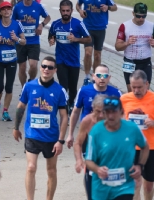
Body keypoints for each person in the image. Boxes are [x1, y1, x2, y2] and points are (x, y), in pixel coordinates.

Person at [13, 56, 68, 200]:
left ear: (55, 70)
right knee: (31, 167)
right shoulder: (29, 86)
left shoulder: (60, 90)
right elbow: (20, 107)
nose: (46, 69)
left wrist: (60, 140)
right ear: (40, 67)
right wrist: (16, 127)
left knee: (51, 171)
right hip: (32, 134)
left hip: (51, 137)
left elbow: (64, 116)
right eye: (44, 66)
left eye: (50, 67)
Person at [85, 95, 149, 200]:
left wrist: (139, 165)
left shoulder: (132, 129)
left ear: (121, 112)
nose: (110, 116)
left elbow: (145, 147)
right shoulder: (96, 132)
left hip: (124, 187)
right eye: (107, 112)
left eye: (114, 112)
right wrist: (98, 169)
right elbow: (88, 161)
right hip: (101, 189)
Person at [48, 0, 92, 114]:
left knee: (72, 89)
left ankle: (71, 103)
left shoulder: (78, 24)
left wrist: (76, 39)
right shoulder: (55, 24)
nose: (65, 13)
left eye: (68, 11)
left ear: (72, 10)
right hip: (61, 61)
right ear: (60, 11)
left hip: (74, 61)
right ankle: (65, 109)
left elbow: (89, 39)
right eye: (63, 11)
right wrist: (51, 40)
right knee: (63, 86)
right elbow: (51, 35)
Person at [76, 0, 117, 86]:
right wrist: (80, 11)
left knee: (97, 55)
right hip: (88, 28)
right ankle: (86, 76)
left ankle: (95, 76)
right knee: (88, 53)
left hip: (100, 28)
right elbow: (78, 4)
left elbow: (115, 7)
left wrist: (107, 7)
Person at [0, 1, 26, 121]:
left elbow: (24, 41)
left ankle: (5, 111)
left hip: (11, 61)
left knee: (9, 87)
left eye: (8, 9)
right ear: (1, 11)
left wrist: (17, 39)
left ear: (11, 11)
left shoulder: (17, 25)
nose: (6, 11)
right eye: (4, 9)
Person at [67, 64, 122, 147]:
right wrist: (70, 134)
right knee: (89, 158)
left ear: (109, 78)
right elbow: (75, 112)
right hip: (87, 132)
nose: (102, 78)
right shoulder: (84, 90)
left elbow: (122, 114)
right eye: (99, 75)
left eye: (105, 76)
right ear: (93, 76)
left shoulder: (116, 93)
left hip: (108, 133)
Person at [121, 70, 154, 200]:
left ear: (147, 84)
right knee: (134, 183)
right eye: (133, 87)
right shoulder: (124, 99)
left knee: (149, 185)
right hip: (131, 147)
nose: (135, 90)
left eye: (139, 87)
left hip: (151, 147)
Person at [12, 0, 50, 87]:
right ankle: (24, 88)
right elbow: (12, 22)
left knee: (33, 66)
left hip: (34, 42)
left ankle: (31, 82)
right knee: (22, 67)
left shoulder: (38, 6)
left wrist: (41, 25)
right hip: (20, 42)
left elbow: (48, 17)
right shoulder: (17, 7)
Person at [115, 3, 154, 92]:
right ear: (133, 13)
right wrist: (127, 43)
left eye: (143, 16)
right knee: (132, 91)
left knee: (145, 91)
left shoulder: (151, 26)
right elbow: (117, 47)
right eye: (138, 16)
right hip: (130, 62)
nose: (141, 19)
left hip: (145, 62)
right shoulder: (124, 26)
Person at [72, 95, 105, 200]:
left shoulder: (114, 121)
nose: (100, 115)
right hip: (92, 162)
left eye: (103, 111)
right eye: (97, 111)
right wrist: (78, 160)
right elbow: (78, 143)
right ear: (92, 107)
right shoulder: (87, 121)